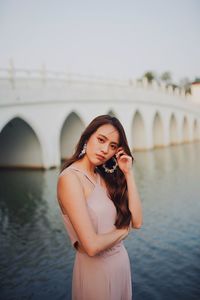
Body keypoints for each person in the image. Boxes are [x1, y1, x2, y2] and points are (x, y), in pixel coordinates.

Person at [57, 114, 143, 300]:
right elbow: (92, 246)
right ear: (88, 137)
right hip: (95, 270)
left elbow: (137, 221)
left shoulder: (103, 175)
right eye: (101, 139)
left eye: (112, 146)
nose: (105, 150)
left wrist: (128, 174)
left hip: (120, 264)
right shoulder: (70, 179)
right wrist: (123, 232)